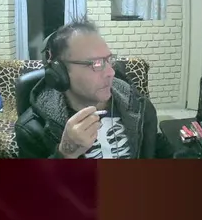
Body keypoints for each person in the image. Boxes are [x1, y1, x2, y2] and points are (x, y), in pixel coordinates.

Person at [16, 20, 169, 159]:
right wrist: (65, 154)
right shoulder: (31, 130)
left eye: (109, 60)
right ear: (60, 73)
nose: (111, 72)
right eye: (96, 63)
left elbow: (154, 146)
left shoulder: (138, 105)